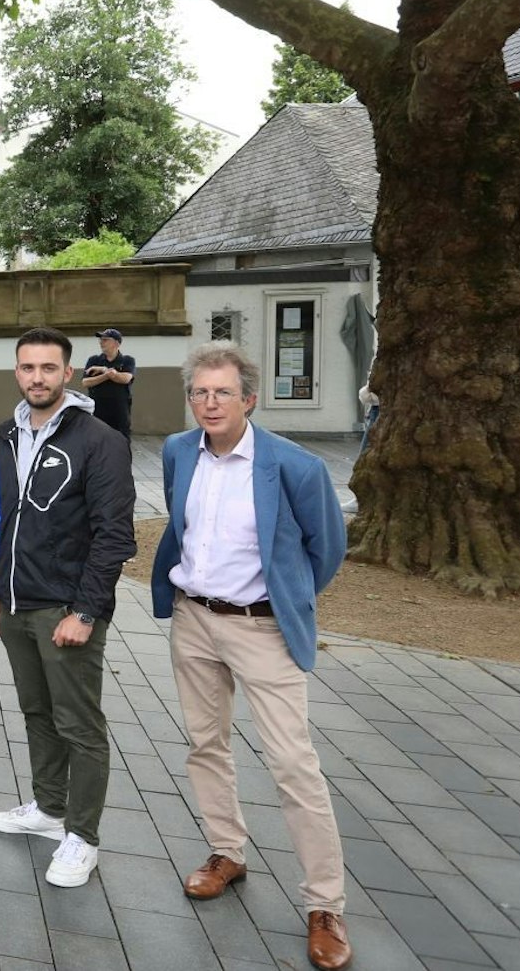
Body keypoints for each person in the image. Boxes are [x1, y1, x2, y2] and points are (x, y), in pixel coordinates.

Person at [151, 342, 352, 970]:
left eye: (222, 393)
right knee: (205, 743)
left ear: (249, 399)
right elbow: (180, 529)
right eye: (199, 393)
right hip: (194, 619)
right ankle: (227, 852)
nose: (209, 403)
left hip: (262, 629)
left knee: (294, 764)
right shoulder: (179, 452)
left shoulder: (294, 466)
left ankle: (325, 905)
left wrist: (286, 599)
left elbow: (326, 550)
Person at [0, 327, 134, 888]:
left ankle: (83, 836)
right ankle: (49, 810)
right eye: (27, 368)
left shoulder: (99, 440)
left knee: (79, 724)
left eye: (49, 368)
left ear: (67, 373)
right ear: (17, 372)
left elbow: (115, 536)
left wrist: (86, 611)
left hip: (66, 609)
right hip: (18, 605)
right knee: (37, 713)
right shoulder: (9, 434)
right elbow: (3, 520)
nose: (37, 378)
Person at [80, 328, 136, 439]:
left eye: (105, 340)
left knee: (121, 440)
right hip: (98, 409)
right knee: (97, 440)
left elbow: (126, 378)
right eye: (101, 340)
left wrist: (104, 369)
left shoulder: (127, 360)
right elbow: (85, 382)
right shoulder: (94, 360)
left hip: (119, 410)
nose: (101, 342)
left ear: (116, 343)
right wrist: (108, 375)